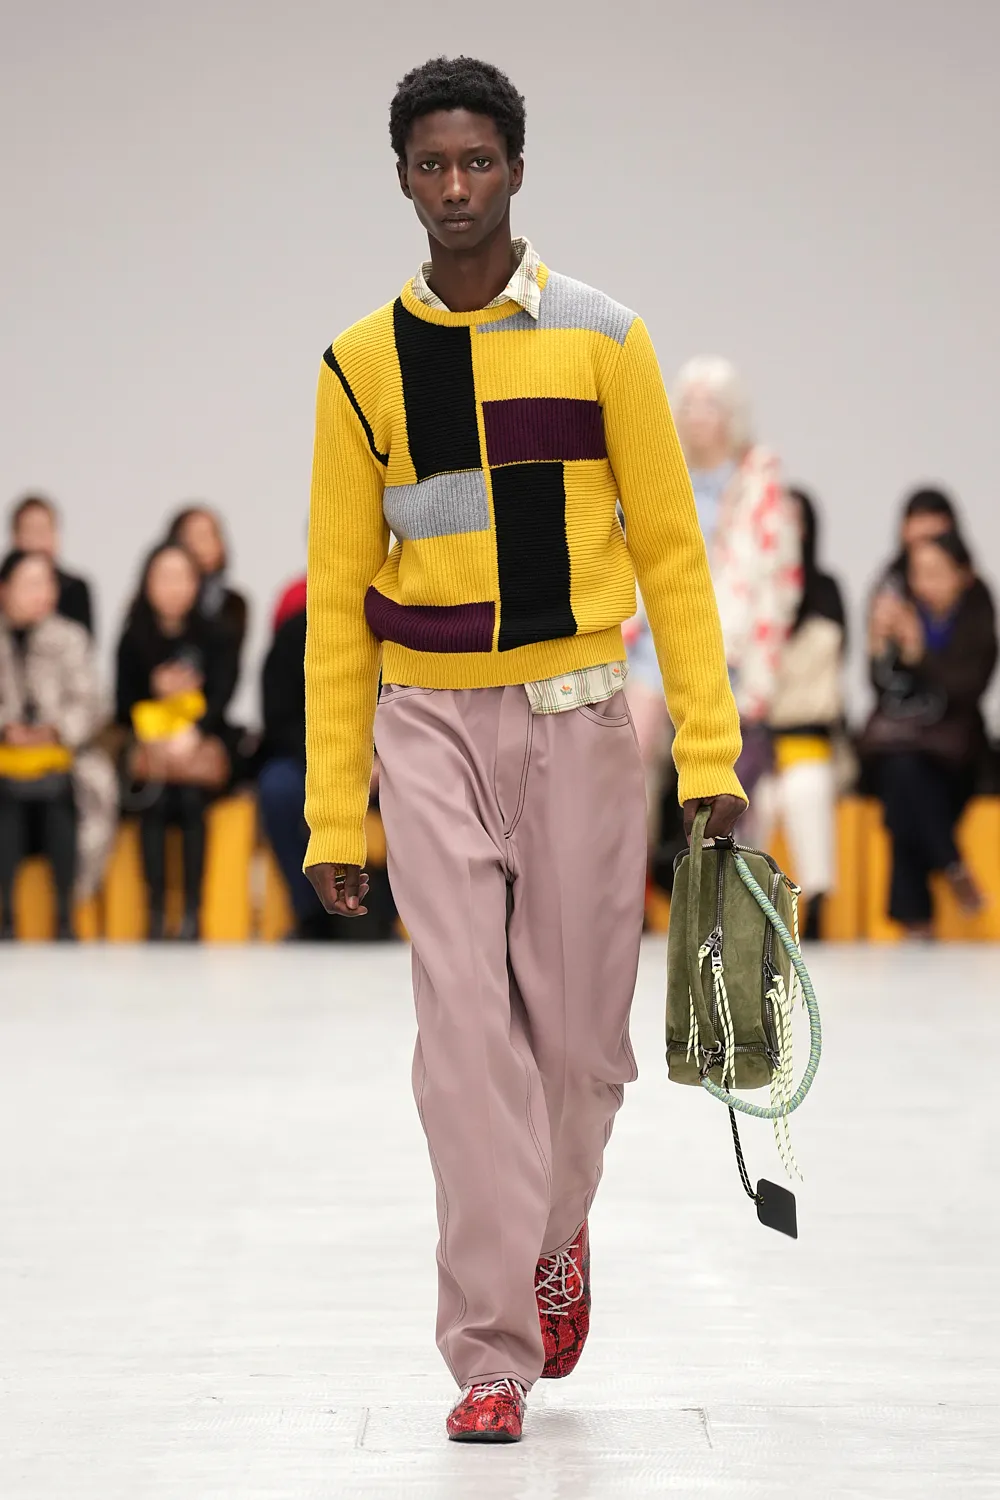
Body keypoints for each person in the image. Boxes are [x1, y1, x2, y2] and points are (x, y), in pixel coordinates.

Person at [302, 55, 746, 1444]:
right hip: (427, 722)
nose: (455, 187)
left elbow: (672, 558)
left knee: (580, 1052)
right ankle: (489, 1352)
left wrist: (711, 756)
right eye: (431, 165)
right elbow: (337, 605)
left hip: (581, 720)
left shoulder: (605, 338)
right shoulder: (360, 366)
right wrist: (334, 813)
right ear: (401, 179)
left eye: (477, 161)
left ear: (515, 170)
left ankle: (556, 1235)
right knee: (460, 1042)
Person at [672, 358, 802, 802]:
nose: (697, 416)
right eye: (688, 404)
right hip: (661, 639)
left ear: (732, 413)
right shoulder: (666, 475)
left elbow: (777, 575)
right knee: (634, 748)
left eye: (710, 405)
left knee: (726, 776)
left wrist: (762, 664)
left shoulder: (757, 481)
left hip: (731, 646)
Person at [863, 531, 997, 937]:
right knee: (904, 773)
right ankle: (951, 865)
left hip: (956, 757)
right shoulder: (901, 611)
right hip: (903, 751)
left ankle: (916, 922)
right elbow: (884, 692)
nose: (925, 584)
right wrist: (879, 647)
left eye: (936, 573)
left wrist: (920, 653)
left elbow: (966, 690)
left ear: (963, 575)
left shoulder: (975, 620)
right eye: (918, 573)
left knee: (905, 793)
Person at [115, 543, 237, 941]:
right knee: (154, 802)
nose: (173, 587)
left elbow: (223, 696)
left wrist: (194, 730)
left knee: (188, 800)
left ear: (196, 583)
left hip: (200, 748)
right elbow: (122, 705)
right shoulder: (133, 636)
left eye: (181, 577)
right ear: (147, 583)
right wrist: (157, 696)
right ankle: (154, 912)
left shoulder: (217, 633)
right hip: (150, 752)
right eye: (163, 577)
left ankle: (191, 913)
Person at [258, 605, 395, 940]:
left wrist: (382, 760)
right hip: (311, 763)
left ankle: (391, 915)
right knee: (277, 788)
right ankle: (309, 914)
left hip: (387, 761)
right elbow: (279, 719)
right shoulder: (294, 632)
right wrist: (333, 768)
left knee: (428, 786)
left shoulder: (397, 622)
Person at [0, 551, 113, 939]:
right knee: (8, 799)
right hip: (5, 758)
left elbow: (92, 703)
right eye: (30, 584)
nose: (42, 593)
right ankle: (6, 914)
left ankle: (66, 913)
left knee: (64, 792)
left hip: (62, 756)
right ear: (5, 589)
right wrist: (8, 729)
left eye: (47, 583)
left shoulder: (70, 637)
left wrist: (54, 730)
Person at [755, 489, 848, 940]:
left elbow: (818, 690)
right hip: (756, 744)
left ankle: (816, 904)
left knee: (805, 789)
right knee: (754, 798)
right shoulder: (752, 595)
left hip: (809, 743)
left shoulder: (825, 593)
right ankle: (744, 910)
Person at [165, 506, 249, 668]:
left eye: (210, 534)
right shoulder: (154, 605)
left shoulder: (234, 605)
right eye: (193, 536)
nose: (202, 545)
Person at [8, 494, 95, 635]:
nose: (38, 540)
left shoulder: (75, 588)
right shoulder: (5, 586)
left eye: (44, 529)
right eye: (31, 530)